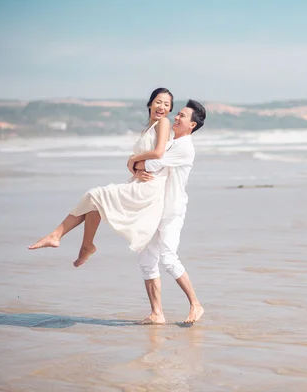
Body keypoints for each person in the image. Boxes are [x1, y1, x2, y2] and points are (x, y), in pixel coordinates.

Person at [28, 87, 174, 267]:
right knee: (93, 200)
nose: (162, 107)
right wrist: (135, 168)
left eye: (166, 104)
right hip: (140, 180)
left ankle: (65, 238)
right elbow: (146, 161)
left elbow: (159, 153)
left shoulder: (164, 123)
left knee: (94, 195)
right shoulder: (149, 128)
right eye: (158, 102)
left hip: (148, 187)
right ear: (150, 103)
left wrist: (133, 159)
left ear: (170, 109)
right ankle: (79, 243)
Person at [133, 99, 206, 324]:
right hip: (156, 207)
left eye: (183, 116)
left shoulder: (185, 148)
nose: (176, 117)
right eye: (179, 114)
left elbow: (152, 165)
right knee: (147, 259)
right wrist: (137, 166)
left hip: (172, 211)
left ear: (192, 125)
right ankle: (157, 313)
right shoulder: (174, 142)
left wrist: (132, 161)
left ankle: (196, 304)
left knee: (168, 258)